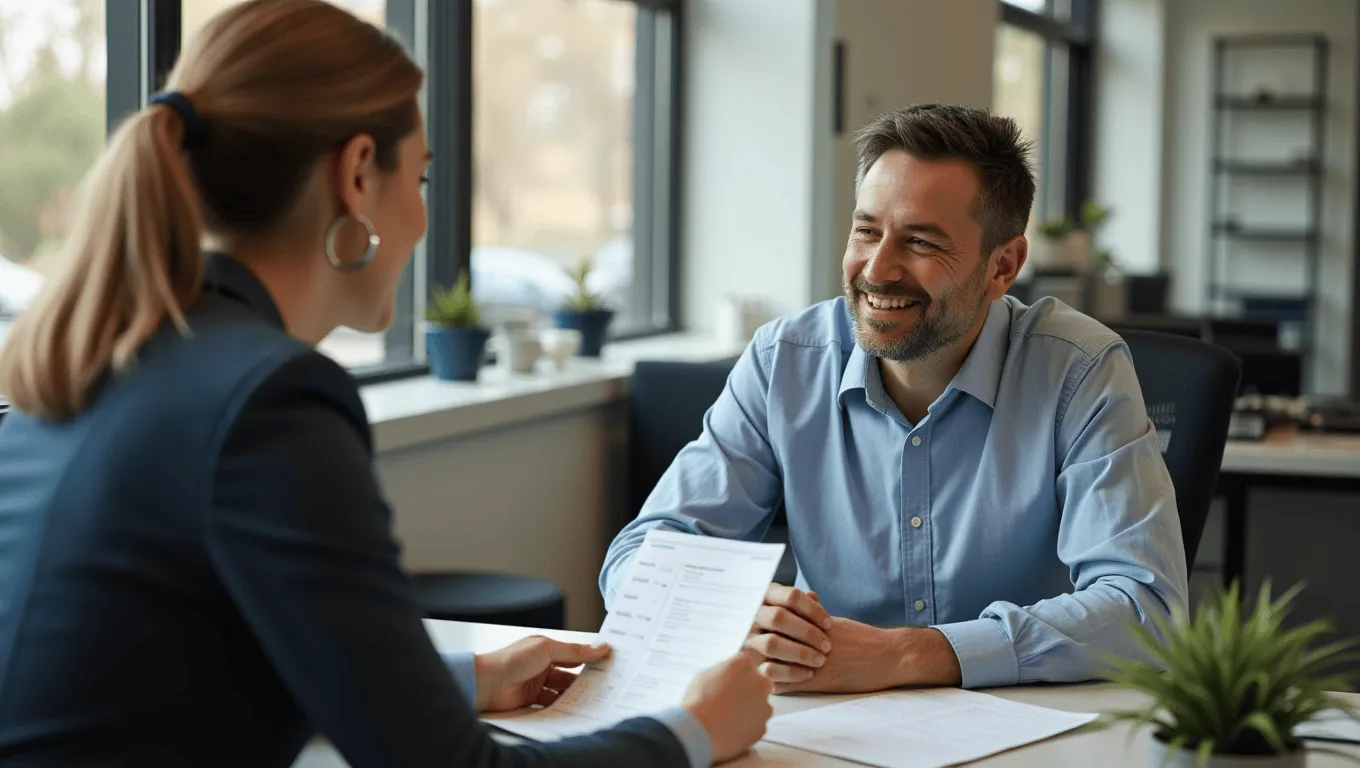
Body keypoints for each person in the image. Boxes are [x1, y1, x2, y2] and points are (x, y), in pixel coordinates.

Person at [0, 2, 772, 766]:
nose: (424, 218)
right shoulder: (269, 401)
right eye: (425, 177)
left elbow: (186, 671)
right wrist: (695, 729)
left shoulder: (105, 353)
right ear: (359, 173)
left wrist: (465, 679)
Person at [601, 104, 1188, 695]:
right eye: (866, 230)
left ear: (1003, 266)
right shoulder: (785, 360)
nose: (877, 269)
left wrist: (906, 655)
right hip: (822, 726)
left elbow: (1145, 609)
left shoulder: (1078, 368)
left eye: (921, 241)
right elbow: (640, 556)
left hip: (1025, 724)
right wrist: (733, 616)